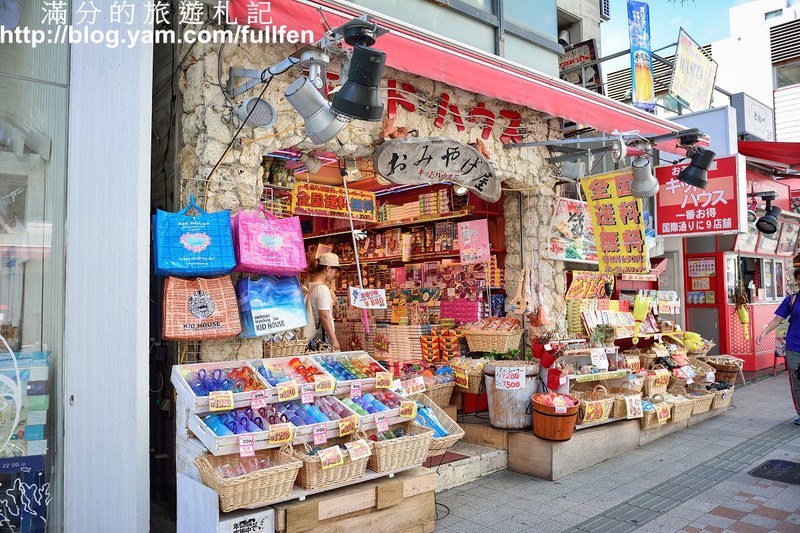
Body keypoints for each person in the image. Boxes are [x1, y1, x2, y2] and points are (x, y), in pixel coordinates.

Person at [756, 269, 800, 425]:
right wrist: (764, 332)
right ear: (796, 281)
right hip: (794, 346)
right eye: (799, 279)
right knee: (797, 381)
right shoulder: (792, 300)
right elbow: (777, 319)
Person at [304, 252, 342, 351]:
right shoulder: (322, 289)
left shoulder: (307, 283)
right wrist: (334, 340)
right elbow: (324, 316)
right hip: (321, 336)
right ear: (328, 268)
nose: (335, 274)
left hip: (309, 334)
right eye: (335, 269)